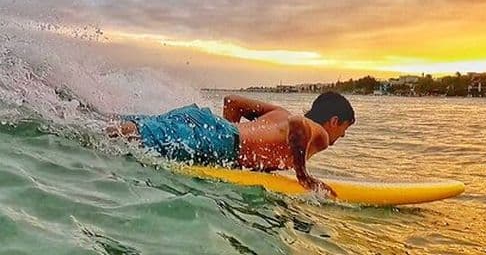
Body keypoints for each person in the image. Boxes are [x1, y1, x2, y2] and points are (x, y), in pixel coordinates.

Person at [110, 92, 354, 197]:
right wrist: (303, 176)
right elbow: (298, 124)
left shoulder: (279, 113)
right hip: (220, 139)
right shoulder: (321, 135)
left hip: (207, 123)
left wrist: (228, 141)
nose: (342, 136)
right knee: (118, 134)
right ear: (334, 121)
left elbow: (232, 101)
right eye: (345, 128)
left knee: (117, 125)